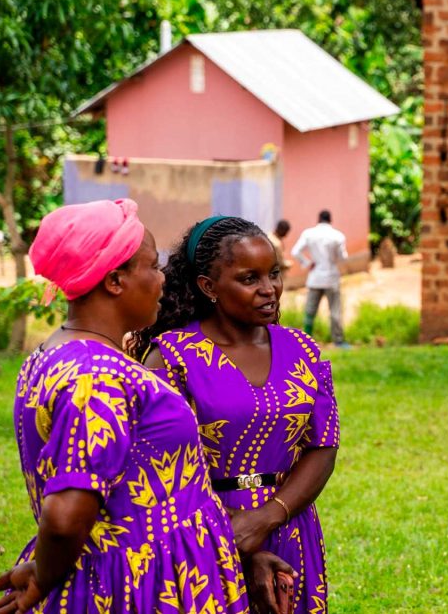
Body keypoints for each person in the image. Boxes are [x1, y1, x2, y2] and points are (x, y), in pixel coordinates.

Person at [0, 199, 285, 614]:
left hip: (157, 570)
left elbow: (147, 479)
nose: (163, 279)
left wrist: (235, 554)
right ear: (114, 281)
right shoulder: (97, 378)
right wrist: (43, 574)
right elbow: (65, 515)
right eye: (152, 266)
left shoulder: (56, 354)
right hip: (138, 584)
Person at [131, 216, 340, 614]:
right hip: (198, 528)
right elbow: (162, 467)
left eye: (274, 273)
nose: (269, 289)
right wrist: (231, 530)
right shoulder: (172, 357)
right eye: (250, 279)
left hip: (289, 522)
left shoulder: (303, 350)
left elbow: (323, 444)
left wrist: (269, 516)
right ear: (208, 287)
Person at [292, 210, 349, 348]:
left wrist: (307, 263)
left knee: (310, 311)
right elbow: (343, 257)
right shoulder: (337, 236)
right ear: (330, 220)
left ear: (318, 219)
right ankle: (338, 341)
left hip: (315, 277)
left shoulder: (308, 234)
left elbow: (295, 251)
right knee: (335, 310)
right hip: (331, 277)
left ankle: (306, 340)